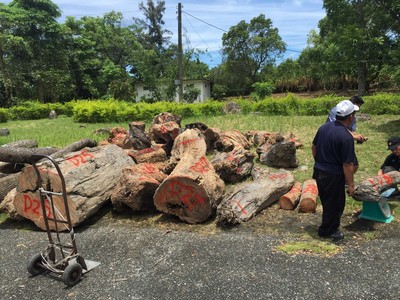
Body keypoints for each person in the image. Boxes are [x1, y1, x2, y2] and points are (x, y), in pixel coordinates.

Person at [313, 100, 359, 240]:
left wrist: (319, 163)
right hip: (333, 174)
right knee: (336, 204)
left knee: (327, 201)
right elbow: (347, 164)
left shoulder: (324, 127)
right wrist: (350, 185)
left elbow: (314, 147)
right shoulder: (346, 137)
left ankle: (328, 226)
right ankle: (327, 230)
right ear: (350, 117)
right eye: (354, 115)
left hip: (319, 170)